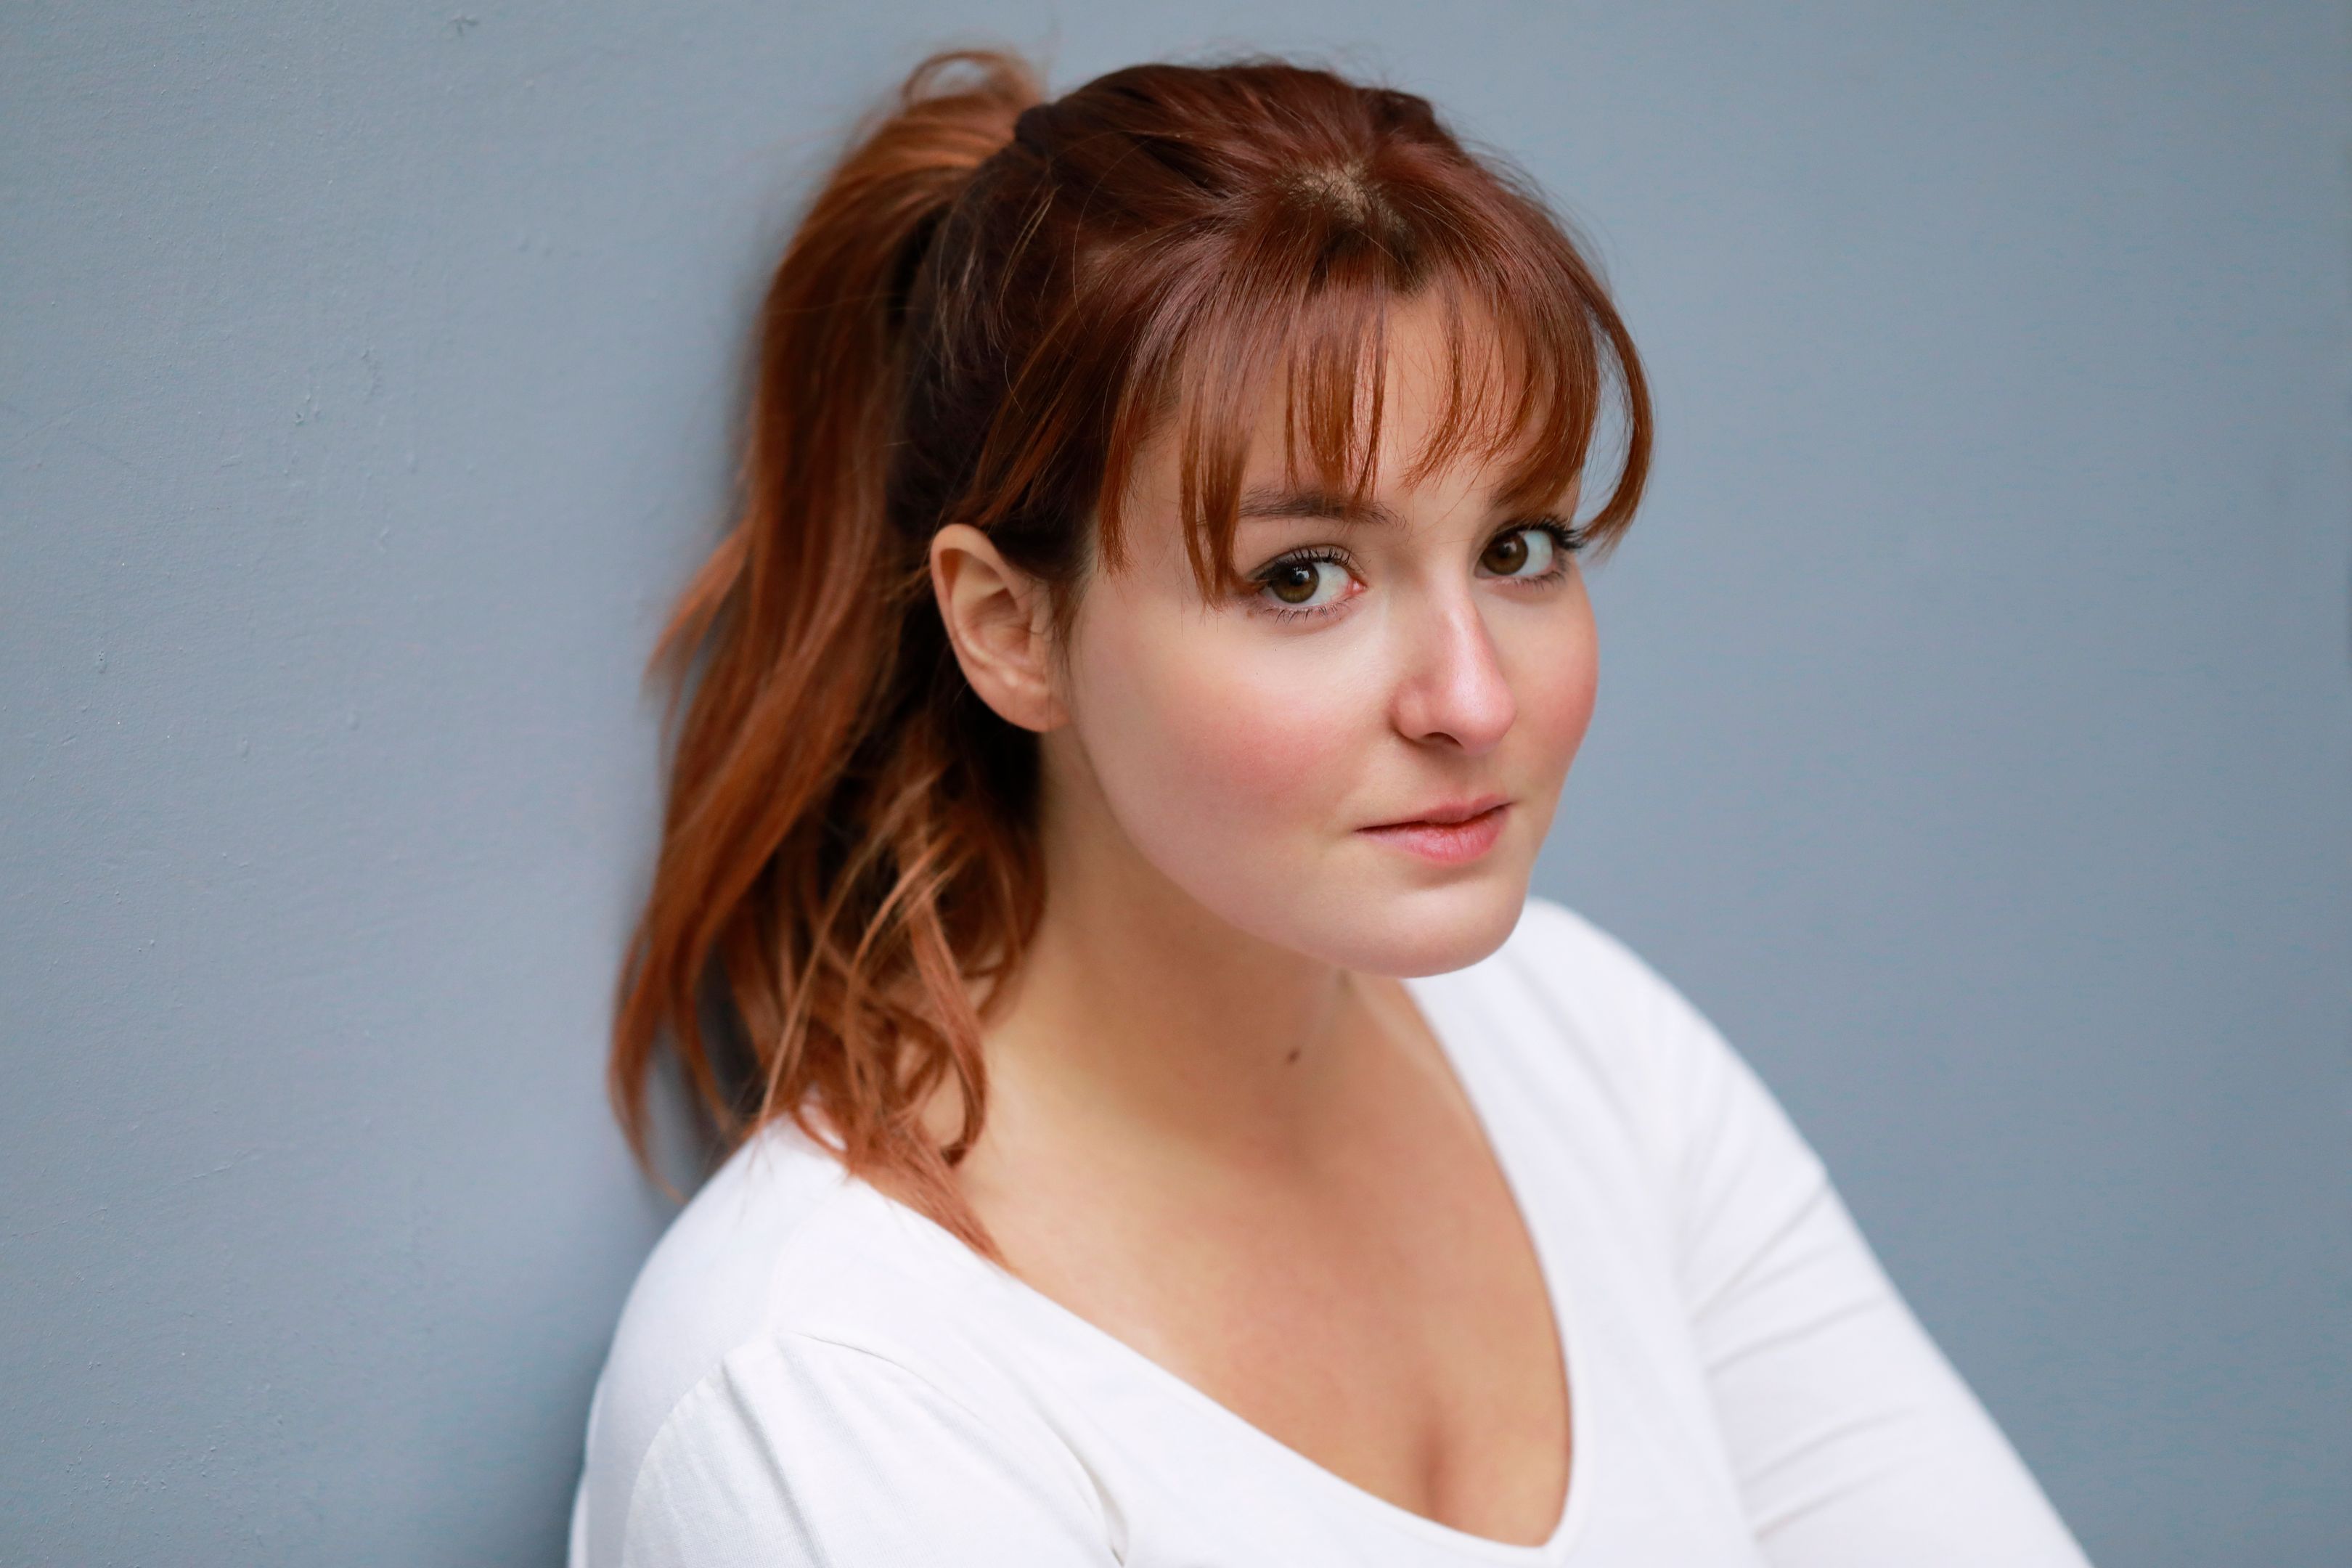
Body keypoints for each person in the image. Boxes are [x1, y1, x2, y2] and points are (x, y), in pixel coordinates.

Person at [567, 47, 2092, 1568]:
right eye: (1302, 577)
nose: (1472, 700)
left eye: (1519, 547)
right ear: (1009, 629)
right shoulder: (828, 1393)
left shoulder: (1591, 1052)